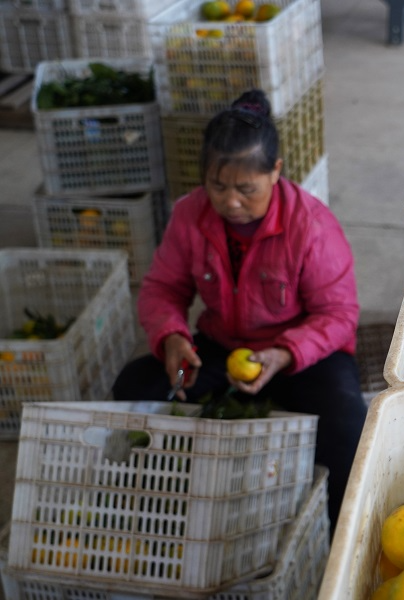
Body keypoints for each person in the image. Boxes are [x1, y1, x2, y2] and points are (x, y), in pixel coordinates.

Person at [113, 89, 368, 530]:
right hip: (221, 348)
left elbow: (338, 314)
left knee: (348, 423)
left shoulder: (311, 225)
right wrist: (172, 335)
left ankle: (332, 533)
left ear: (275, 172)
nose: (231, 201)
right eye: (218, 186)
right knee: (136, 387)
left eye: (246, 189)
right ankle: (167, 510)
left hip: (301, 358)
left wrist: (284, 354)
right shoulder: (189, 215)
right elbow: (162, 288)